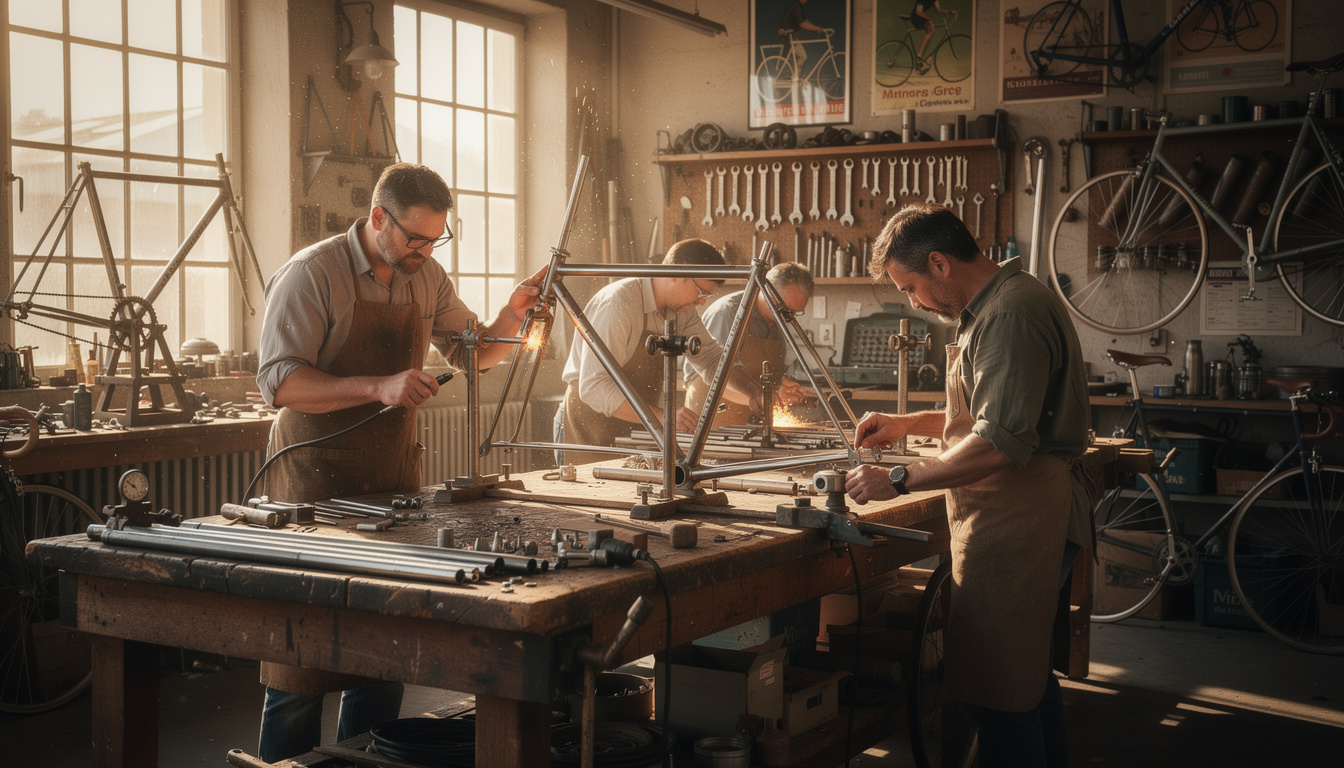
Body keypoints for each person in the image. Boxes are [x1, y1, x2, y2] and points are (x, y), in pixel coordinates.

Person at [254, 162, 545, 761]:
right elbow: (279, 382)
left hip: (388, 476)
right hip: (311, 479)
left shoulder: (427, 275)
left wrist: (512, 314)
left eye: (436, 239)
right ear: (378, 217)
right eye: (415, 238)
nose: (425, 250)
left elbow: (477, 355)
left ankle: (365, 761)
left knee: (383, 649)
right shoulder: (313, 273)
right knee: (301, 658)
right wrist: (378, 387)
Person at [844, 203, 1091, 768]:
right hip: (1007, 511)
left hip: (1023, 517)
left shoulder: (1009, 314)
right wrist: (910, 424)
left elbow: (1002, 441)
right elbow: (992, 411)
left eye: (910, 288)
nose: (913, 303)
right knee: (1024, 681)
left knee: (997, 698)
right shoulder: (996, 304)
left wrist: (900, 478)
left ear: (939, 263)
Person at [554, 239, 763, 466]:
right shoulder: (619, 303)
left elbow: (712, 359)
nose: (702, 302)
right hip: (588, 425)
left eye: (707, 296)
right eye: (701, 291)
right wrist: (664, 417)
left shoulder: (681, 311)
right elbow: (593, 387)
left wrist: (752, 390)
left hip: (636, 425)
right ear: (675, 273)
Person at [683, 261, 814, 428]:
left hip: (747, 420)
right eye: (785, 309)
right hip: (712, 416)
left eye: (795, 312)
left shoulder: (777, 323)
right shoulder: (729, 313)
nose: (788, 318)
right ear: (767, 291)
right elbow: (715, 377)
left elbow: (769, 380)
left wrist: (781, 389)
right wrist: (765, 397)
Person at [777, 0, 824, 70]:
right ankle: (795, 76)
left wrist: (816, 28)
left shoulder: (797, 6)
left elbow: (805, 21)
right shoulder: (796, 6)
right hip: (790, 35)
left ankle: (794, 75)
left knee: (795, 59)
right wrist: (816, 28)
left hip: (791, 35)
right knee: (803, 57)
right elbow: (803, 24)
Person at [912, 1, 957, 74]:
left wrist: (950, 12)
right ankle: (919, 57)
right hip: (916, 17)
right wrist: (929, 20)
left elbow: (938, 10)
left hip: (921, 16)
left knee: (931, 32)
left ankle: (921, 60)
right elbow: (918, 12)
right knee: (931, 29)